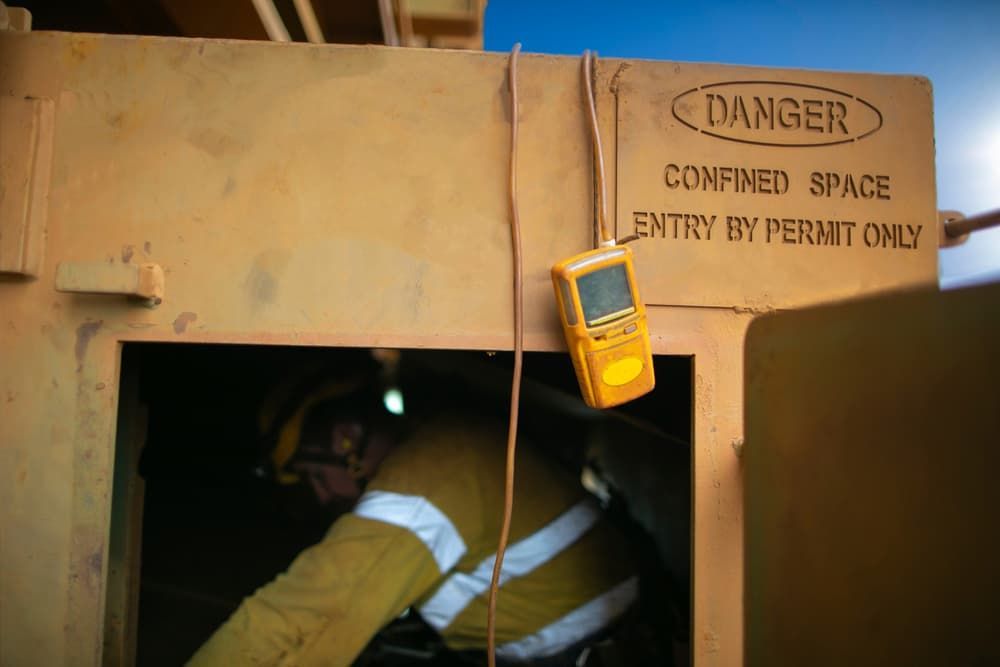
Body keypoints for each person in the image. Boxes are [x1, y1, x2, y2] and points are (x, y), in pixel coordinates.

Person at [188, 361, 639, 666]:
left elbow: (306, 614)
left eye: (312, 475)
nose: (322, 495)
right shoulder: (446, 440)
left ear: (346, 439)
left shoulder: (425, 482)